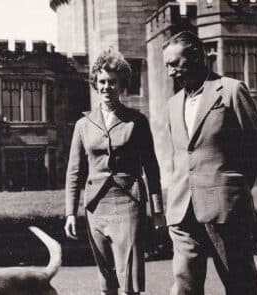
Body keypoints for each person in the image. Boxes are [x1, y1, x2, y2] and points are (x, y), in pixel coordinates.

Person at [162, 31, 257, 295]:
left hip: (225, 209)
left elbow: (255, 149)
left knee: (239, 283)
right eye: (166, 66)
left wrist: (233, 189)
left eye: (174, 64)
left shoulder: (231, 90)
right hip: (182, 210)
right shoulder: (173, 104)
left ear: (196, 56)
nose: (170, 72)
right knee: (184, 286)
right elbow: (179, 156)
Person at [64, 49, 166, 295]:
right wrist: (70, 212)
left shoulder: (136, 121)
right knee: (105, 276)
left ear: (121, 85)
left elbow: (151, 168)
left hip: (128, 202)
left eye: (112, 82)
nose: (106, 87)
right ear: (94, 85)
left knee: (129, 277)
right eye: (102, 82)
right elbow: (74, 171)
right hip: (95, 206)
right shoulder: (83, 124)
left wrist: (158, 210)